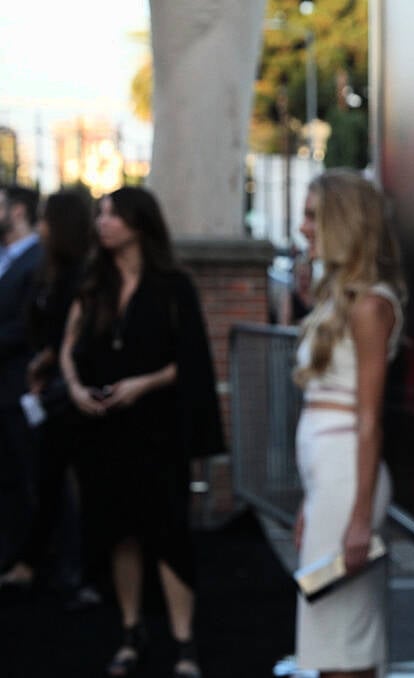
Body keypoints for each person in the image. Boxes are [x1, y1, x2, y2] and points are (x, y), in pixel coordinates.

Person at [59, 186, 223, 678]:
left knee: (169, 532)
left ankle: (183, 638)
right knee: (118, 532)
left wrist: (141, 385)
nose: (102, 223)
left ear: (138, 223)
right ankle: (131, 630)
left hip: (157, 430)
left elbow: (191, 360)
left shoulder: (173, 286)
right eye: (100, 215)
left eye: (112, 215)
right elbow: (67, 346)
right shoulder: (94, 284)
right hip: (104, 430)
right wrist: (73, 388)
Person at [290, 168, 405, 678]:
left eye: (313, 215)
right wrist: (310, 503)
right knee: (333, 637)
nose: (303, 227)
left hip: (346, 481)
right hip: (329, 483)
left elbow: (368, 422)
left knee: (343, 645)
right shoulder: (341, 298)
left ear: (342, 221)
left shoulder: (371, 305)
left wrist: (358, 516)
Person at [0, 189, 100, 608]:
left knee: (56, 480)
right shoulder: (49, 268)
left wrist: (52, 366)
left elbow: (61, 334)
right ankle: (39, 560)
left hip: (59, 391)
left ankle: (73, 569)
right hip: (43, 384)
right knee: (37, 477)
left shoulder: (72, 273)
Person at [0, 184, 42, 576]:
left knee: (30, 477)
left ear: (16, 212)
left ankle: (33, 561)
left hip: (19, 387)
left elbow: (28, 327)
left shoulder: (38, 260)